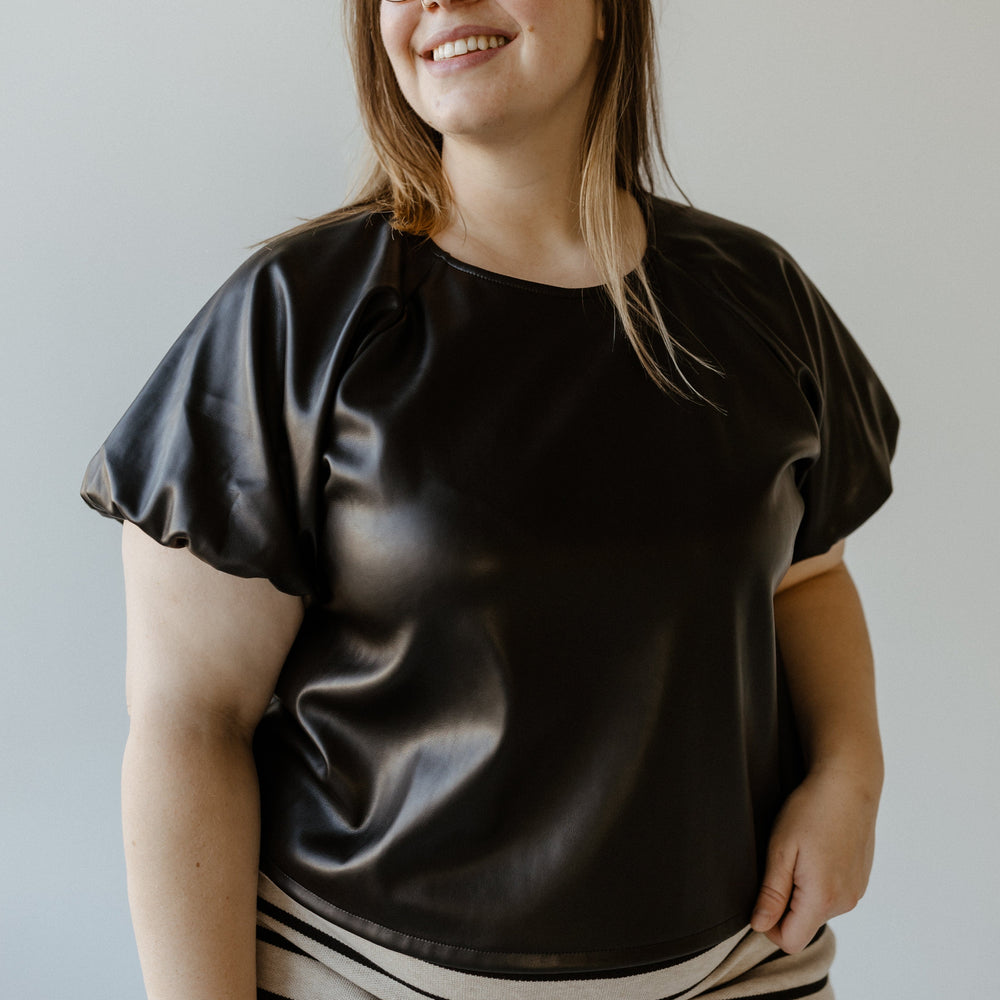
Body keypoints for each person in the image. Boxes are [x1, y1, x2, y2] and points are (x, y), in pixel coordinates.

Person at [81, 1, 899, 997]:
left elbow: (806, 578)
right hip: (371, 973)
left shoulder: (758, 300)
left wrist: (848, 779)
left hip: (737, 968)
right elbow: (188, 725)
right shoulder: (296, 319)